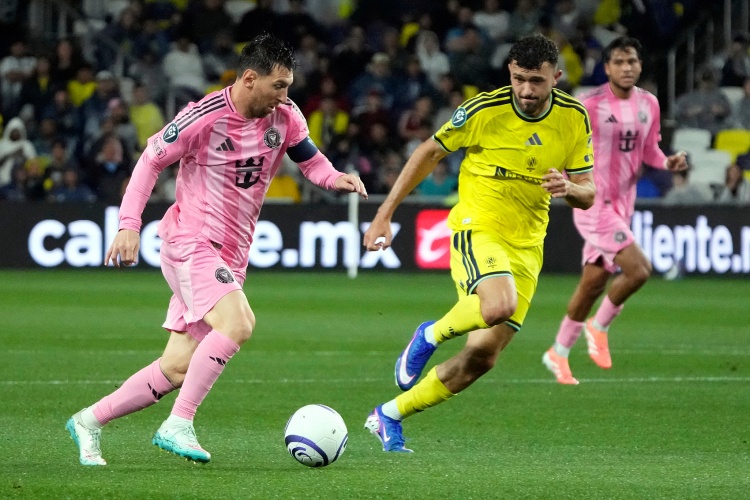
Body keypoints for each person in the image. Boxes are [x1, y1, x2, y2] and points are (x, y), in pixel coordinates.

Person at [65, 33, 367, 466]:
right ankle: (179, 422)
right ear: (250, 79)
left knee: (177, 367)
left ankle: (88, 421)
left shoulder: (286, 116)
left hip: (231, 254)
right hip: (191, 241)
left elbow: (311, 161)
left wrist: (336, 177)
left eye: (288, 86)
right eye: (279, 86)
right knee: (238, 322)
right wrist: (129, 225)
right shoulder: (203, 117)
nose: (285, 96)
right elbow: (150, 160)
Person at [362, 34, 596, 452]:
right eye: (519, 79)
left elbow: (588, 192)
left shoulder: (574, 117)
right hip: (479, 226)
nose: (527, 90)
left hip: (528, 245)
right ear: (510, 72)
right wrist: (385, 212)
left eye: (537, 81)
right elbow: (428, 152)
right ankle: (429, 335)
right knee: (499, 304)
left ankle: (389, 415)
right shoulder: (483, 110)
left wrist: (569, 188)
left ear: (556, 77)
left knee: (482, 358)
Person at [542, 36, 688, 385]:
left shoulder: (649, 103)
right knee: (639, 270)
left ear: (640, 65)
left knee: (593, 284)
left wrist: (666, 162)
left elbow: (649, 149)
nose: (627, 68)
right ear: (607, 68)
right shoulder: (589, 104)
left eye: (632, 61)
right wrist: (565, 181)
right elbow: (564, 143)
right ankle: (599, 325)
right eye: (619, 62)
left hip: (624, 205)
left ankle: (558, 351)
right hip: (593, 201)